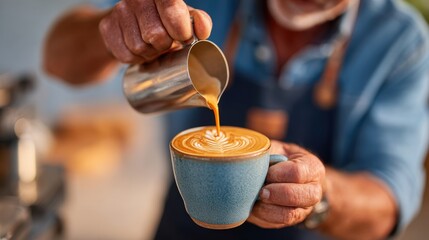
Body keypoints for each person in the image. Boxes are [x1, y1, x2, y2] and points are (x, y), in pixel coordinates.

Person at [43, 0, 429, 239]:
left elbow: (388, 199)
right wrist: (114, 30)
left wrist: (319, 195)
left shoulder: (401, 41)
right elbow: (56, 58)